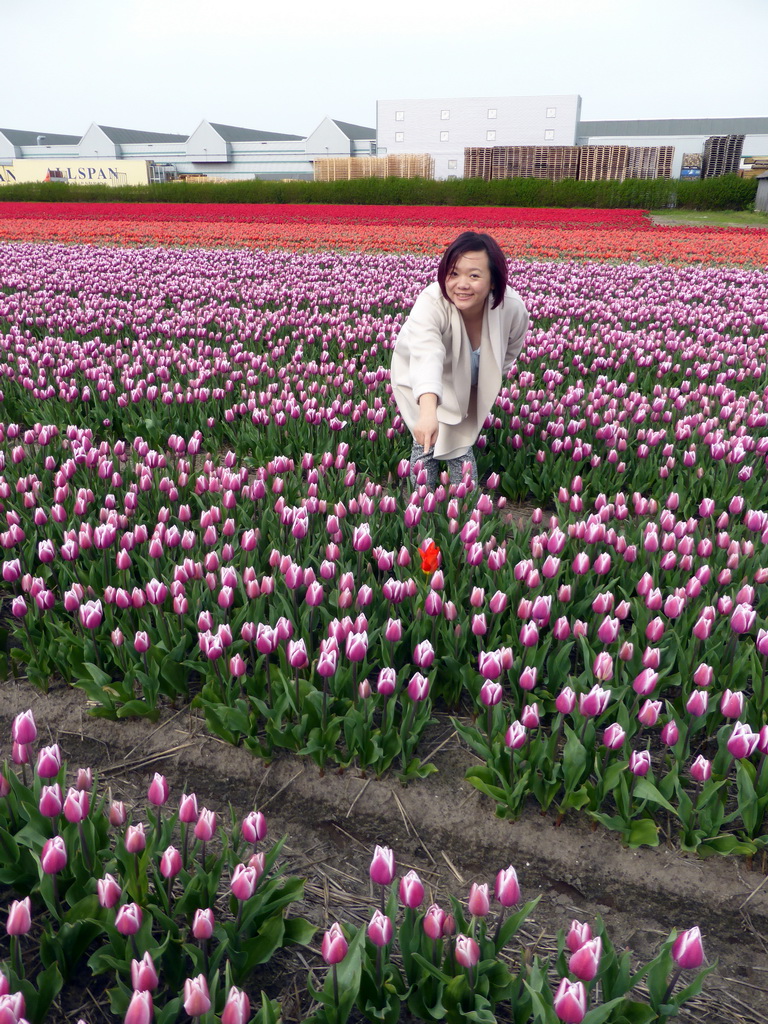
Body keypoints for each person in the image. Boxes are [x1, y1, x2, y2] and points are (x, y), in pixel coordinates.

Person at [391, 231, 529, 489]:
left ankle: (462, 511)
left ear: (493, 281)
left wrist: (487, 381)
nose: (462, 284)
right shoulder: (432, 302)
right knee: (426, 441)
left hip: (472, 381)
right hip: (422, 376)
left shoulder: (511, 308)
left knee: (459, 438)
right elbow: (427, 355)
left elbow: (510, 350)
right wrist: (428, 411)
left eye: (474, 275)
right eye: (454, 273)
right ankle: (423, 506)